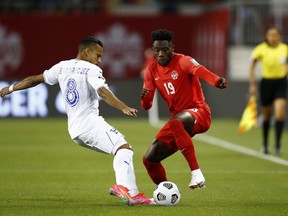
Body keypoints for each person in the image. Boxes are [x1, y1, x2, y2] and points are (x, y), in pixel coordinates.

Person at [0, 36, 154, 205]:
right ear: (87, 52)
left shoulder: (61, 66)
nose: (100, 60)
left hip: (75, 130)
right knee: (124, 149)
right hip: (89, 123)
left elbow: (33, 80)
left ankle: (133, 195)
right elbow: (102, 91)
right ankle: (122, 187)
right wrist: (123, 106)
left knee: (123, 148)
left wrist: (11, 88)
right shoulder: (91, 69)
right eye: (98, 55)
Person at [140, 29, 227, 189]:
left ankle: (197, 174)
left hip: (199, 112)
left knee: (175, 123)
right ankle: (164, 191)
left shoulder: (183, 61)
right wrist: (144, 97)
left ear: (172, 48)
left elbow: (200, 70)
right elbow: (147, 106)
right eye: (157, 50)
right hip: (178, 120)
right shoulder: (151, 71)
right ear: (153, 50)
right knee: (149, 159)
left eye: (164, 49)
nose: (160, 54)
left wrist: (216, 81)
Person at [249, 27, 288, 155]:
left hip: (281, 83)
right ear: (266, 36)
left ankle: (277, 145)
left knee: (280, 113)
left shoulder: (284, 49)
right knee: (266, 115)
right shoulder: (261, 49)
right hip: (266, 84)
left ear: (279, 36)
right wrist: (252, 84)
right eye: (270, 35)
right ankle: (265, 144)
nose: (273, 37)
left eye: (275, 35)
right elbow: (252, 65)